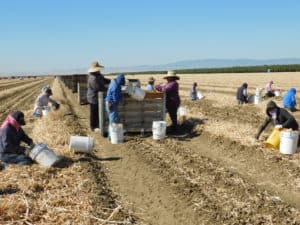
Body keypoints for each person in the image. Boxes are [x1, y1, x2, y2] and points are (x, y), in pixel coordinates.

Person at [87, 61, 110, 132]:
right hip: (93, 97)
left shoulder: (98, 75)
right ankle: (93, 126)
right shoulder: (92, 78)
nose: (99, 70)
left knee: (98, 111)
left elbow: (104, 80)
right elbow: (98, 88)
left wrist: (112, 81)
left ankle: (98, 124)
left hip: (98, 97)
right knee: (94, 112)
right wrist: (108, 89)